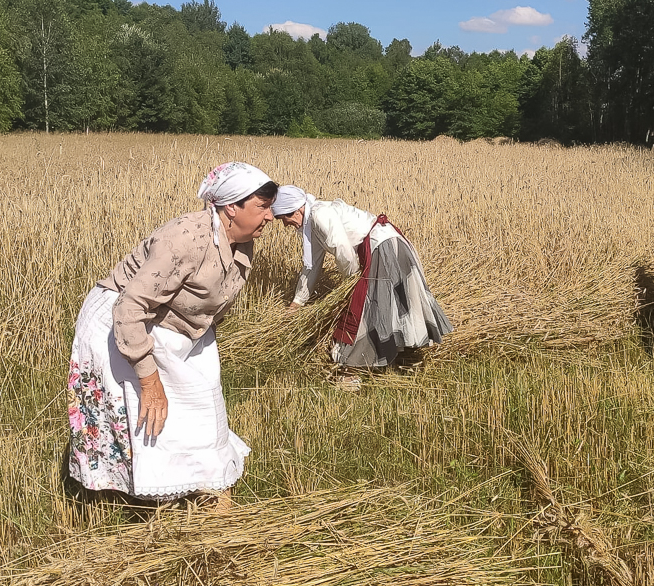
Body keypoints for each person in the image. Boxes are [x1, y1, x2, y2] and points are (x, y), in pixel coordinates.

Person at [65, 161, 277, 507]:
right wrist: (150, 379)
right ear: (230, 207)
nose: (270, 217)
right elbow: (129, 309)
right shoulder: (186, 239)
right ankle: (146, 500)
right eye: (262, 206)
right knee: (142, 414)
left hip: (174, 327)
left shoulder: (240, 240)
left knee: (201, 402)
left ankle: (204, 489)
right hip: (122, 323)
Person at [271, 185, 453, 368]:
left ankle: (356, 365)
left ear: (294, 210)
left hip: (384, 247)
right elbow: (312, 266)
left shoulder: (320, 214)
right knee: (391, 304)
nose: (286, 224)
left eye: (283, 218)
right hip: (383, 245)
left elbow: (343, 251)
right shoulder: (312, 224)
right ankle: (400, 356)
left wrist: (350, 285)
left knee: (371, 306)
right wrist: (297, 303)